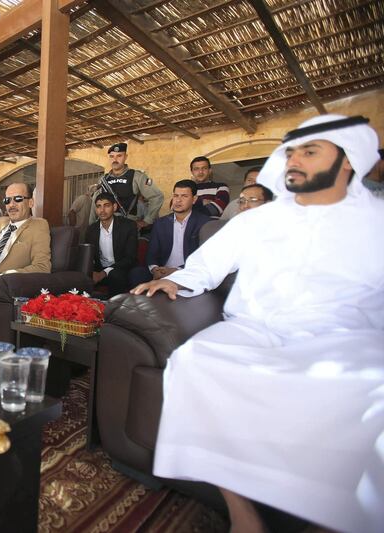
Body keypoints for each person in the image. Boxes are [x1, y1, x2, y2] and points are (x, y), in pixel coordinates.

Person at [131, 114, 384, 532]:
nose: (295, 160)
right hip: (256, 328)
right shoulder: (257, 219)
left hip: (346, 336)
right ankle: (243, 516)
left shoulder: (376, 222)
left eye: (310, 151)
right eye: (292, 152)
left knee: (370, 386)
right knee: (196, 361)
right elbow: (205, 266)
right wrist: (176, 282)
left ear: (347, 162)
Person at [129, 179, 211, 287]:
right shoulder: (160, 223)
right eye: (176, 196)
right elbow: (152, 252)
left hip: (187, 272)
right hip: (162, 271)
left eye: (184, 196)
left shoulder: (204, 223)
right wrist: (154, 269)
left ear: (194, 199)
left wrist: (175, 270)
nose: (178, 200)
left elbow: (203, 258)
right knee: (136, 273)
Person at [89, 143, 164, 229]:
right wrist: (92, 226)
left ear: (125, 157)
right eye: (112, 156)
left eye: (119, 156)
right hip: (105, 226)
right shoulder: (103, 179)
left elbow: (157, 196)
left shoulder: (137, 176)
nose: (115, 159)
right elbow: (95, 202)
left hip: (127, 225)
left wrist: (147, 220)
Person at [85, 193, 137, 297]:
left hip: (122, 269)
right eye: (99, 206)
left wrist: (104, 273)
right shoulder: (91, 229)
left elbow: (130, 258)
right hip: (100, 269)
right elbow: (89, 256)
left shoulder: (128, 226)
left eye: (106, 205)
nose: (102, 210)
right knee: (81, 275)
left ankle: (114, 309)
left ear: (114, 207)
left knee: (115, 275)